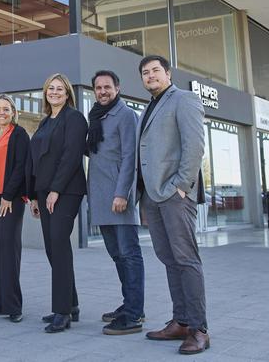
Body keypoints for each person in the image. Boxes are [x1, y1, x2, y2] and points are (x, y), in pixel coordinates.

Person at [136, 55, 210, 354]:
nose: (150, 75)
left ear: (167, 73)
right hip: (153, 197)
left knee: (186, 260)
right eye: (145, 72)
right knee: (169, 259)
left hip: (174, 195)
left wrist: (181, 187)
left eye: (155, 70)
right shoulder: (148, 108)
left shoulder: (184, 99)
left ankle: (199, 329)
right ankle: (181, 321)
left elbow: (195, 146)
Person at [28, 73, 88, 334]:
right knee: (54, 249)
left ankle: (61, 312)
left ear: (67, 94)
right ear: (45, 93)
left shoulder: (74, 118)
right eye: (50, 88)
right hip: (44, 192)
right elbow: (36, 160)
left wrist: (55, 190)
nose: (54, 92)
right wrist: (33, 195)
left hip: (66, 191)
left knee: (59, 245)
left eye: (59, 89)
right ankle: (71, 304)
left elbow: (71, 156)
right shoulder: (44, 122)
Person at [86, 70, 145, 335]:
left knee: (129, 255)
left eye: (107, 87)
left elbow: (131, 157)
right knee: (117, 255)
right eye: (98, 88)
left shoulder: (126, 116)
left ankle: (133, 315)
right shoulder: (96, 116)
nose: (102, 91)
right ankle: (130, 305)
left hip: (118, 198)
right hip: (101, 198)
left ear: (117, 88)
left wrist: (123, 194)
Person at [0, 94, 30, 323]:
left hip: (9, 199)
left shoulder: (19, 134)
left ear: (13, 111)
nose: (1, 112)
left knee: (10, 251)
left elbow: (21, 167)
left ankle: (13, 306)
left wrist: (8, 195)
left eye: (5, 109)